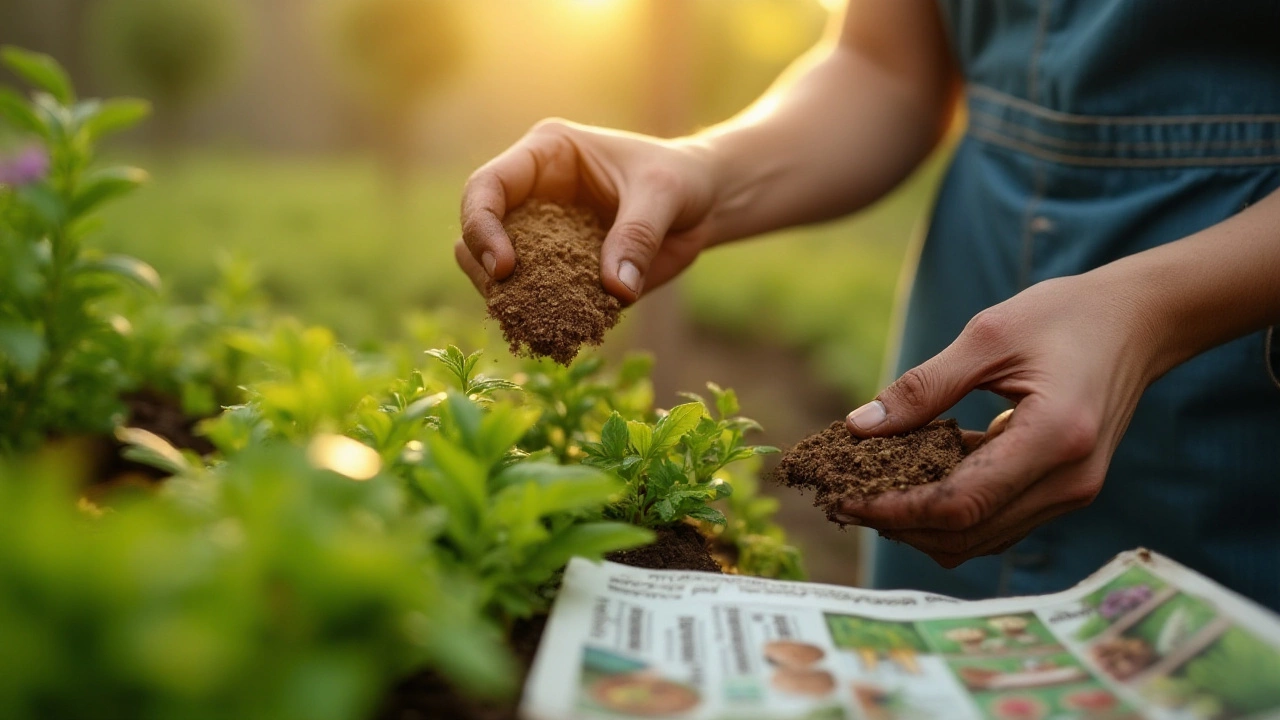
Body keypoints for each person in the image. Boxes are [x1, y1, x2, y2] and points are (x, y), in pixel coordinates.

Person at [456, 1, 1280, 611]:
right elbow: (885, 66)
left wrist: (1150, 313)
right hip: (977, 296)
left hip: (1233, 362)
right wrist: (702, 170)